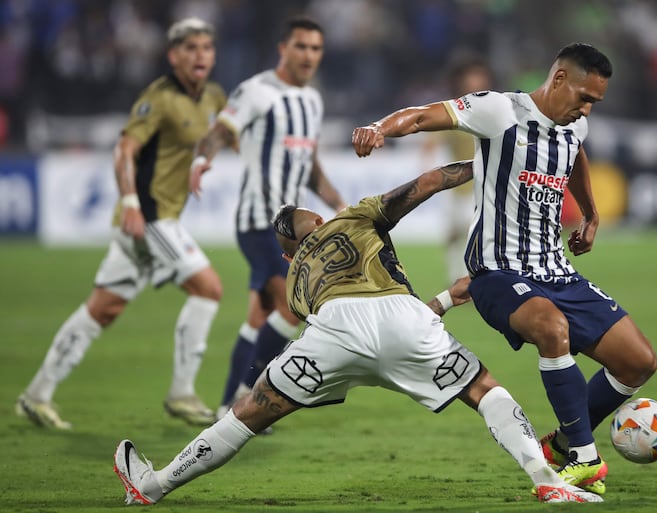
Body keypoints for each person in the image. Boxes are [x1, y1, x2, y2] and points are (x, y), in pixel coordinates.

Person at [113, 160, 602, 505]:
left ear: (286, 254)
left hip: (330, 333)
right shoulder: (355, 215)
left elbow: (358, 323)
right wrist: (491, 163)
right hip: (404, 320)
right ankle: (546, 479)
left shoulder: (296, 279)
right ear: (321, 219)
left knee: (248, 413)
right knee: (484, 390)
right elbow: (429, 182)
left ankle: (154, 485)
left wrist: (443, 301)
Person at [351, 43, 657, 495]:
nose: (587, 109)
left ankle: (564, 443)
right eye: (584, 97)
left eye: (595, 101)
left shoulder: (576, 125)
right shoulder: (500, 111)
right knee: (552, 329)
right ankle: (585, 459)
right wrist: (379, 128)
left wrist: (591, 214)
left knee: (638, 362)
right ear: (558, 79)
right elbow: (421, 116)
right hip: (498, 273)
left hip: (556, 271)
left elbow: (574, 155)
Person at [16, 18, 227, 428]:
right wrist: (130, 202)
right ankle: (182, 393)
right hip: (148, 217)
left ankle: (37, 394)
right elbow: (124, 149)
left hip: (157, 220)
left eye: (206, 47)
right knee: (208, 288)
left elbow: (218, 135)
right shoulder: (159, 97)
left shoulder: (213, 97)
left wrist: (206, 158)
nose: (200, 55)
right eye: (190, 48)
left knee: (102, 308)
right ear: (173, 56)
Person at [189, 16, 346, 422]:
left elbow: (309, 166)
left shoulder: (312, 100)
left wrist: (339, 205)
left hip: (290, 231)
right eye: (301, 46)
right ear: (283, 49)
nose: (308, 55)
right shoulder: (258, 91)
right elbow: (220, 131)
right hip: (260, 222)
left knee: (260, 317)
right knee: (294, 306)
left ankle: (229, 404)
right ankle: (250, 397)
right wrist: (202, 160)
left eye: (315, 48)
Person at [421, 56, 494, 282]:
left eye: (479, 77)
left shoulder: (496, 108)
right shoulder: (454, 111)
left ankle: (475, 279)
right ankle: (458, 278)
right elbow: (431, 142)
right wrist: (429, 173)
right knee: (456, 234)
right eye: (471, 77)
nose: (476, 82)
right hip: (460, 187)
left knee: (479, 235)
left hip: (489, 186)